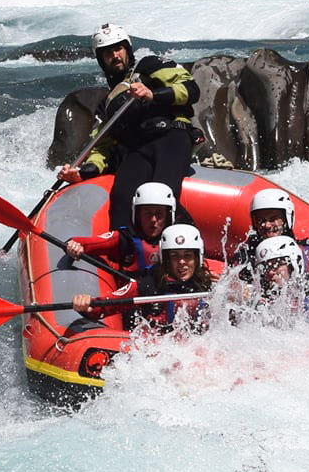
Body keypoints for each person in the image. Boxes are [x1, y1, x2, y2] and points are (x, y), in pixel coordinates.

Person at [56, 23, 202, 234]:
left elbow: (190, 89)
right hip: (137, 150)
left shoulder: (150, 66)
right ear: (101, 60)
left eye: (118, 49)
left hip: (171, 138)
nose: (114, 55)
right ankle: (128, 256)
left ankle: (188, 252)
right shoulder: (107, 104)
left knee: (160, 195)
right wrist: (83, 172)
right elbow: (101, 147)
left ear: (127, 49)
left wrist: (154, 95)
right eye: (107, 53)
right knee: (122, 199)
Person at [71, 224, 217, 334]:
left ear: (197, 258)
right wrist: (86, 306)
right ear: (165, 259)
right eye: (174, 256)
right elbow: (103, 307)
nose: (182, 262)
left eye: (187, 256)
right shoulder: (148, 285)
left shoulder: (208, 283)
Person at [68, 181, 175, 278]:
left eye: (159, 214)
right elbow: (80, 242)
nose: (153, 219)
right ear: (138, 216)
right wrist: (73, 246)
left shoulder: (179, 239)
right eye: (147, 213)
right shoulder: (124, 239)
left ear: (168, 216)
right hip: (131, 296)